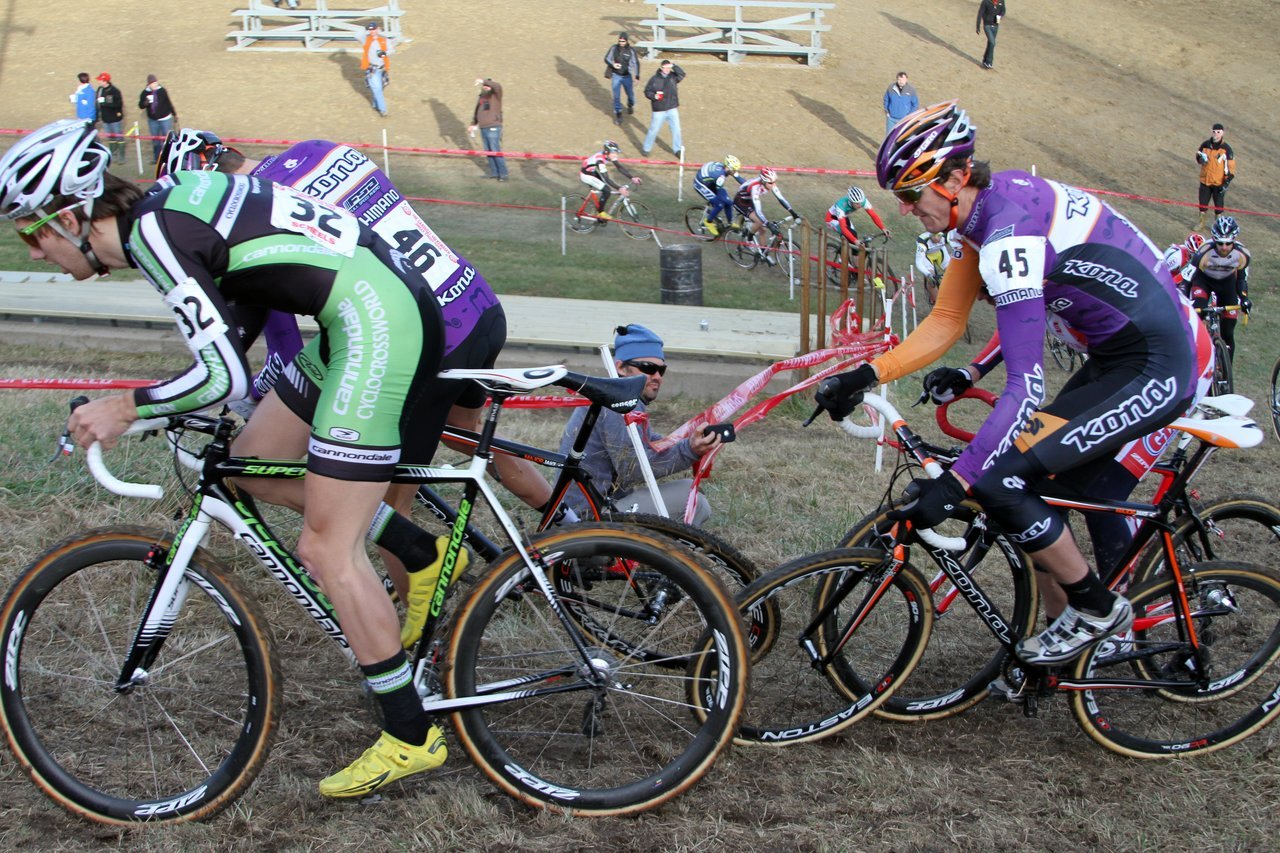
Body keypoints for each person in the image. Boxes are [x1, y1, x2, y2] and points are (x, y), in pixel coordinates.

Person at [2, 118, 457, 798]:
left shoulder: (152, 234)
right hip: (358, 311)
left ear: (69, 218)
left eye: (29, 233)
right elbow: (239, 310)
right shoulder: (166, 204)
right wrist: (169, 395)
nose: (33, 253)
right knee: (247, 465)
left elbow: (225, 377)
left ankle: (410, 733)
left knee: (327, 549)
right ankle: (418, 551)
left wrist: (126, 407)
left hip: (375, 321)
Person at [816, 101, 1210, 667]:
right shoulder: (981, 218)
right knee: (1036, 487)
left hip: (1159, 362)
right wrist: (864, 374)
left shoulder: (1006, 234)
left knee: (1004, 482)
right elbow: (947, 321)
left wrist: (956, 485)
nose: (904, 210)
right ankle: (1062, 647)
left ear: (954, 179)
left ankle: (1100, 610)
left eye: (909, 193)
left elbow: (1025, 386)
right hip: (1113, 357)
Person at [154, 128, 554, 646]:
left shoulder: (257, 215)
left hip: (422, 337)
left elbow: (283, 351)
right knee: (469, 438)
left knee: (388, 497)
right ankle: (567, 517)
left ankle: (418, 648)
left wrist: (258, 399)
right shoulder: (319, 150)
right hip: (474, 304)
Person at [558, 324, 721, 525]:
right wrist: (689, 450)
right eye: (648, 368)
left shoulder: (617, 396)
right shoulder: (615, 403)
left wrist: (691, 441)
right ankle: (660, 555)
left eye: (661, 370)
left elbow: (648, 443)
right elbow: (632, 468)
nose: (657, 376)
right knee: (692, 500)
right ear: (620, 367)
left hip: (595, 509)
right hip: (588, 519)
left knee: (688, 491)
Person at [1186, 215, 1251, 364]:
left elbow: (1241, 280)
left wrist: (1245, 298)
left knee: (1228, 332)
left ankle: (1227, 373)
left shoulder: (1242, 254)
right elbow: (1186, 279)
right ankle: (1194, 356)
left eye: (1228, 243)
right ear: (1214, 239)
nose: (1224, 247)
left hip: (1227, 286)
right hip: (1203, 282)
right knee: (1198, 314)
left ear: (1234, 240)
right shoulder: (1203, 251)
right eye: (1220, 243)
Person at [731, 168, 801, 264]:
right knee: (759, 222)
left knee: (762, 230)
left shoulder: (769, 183)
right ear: (764, 181)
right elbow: (758, 210)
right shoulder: (755, 187)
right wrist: (769, 224)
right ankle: (749, 239)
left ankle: (764, 254)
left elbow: (781, 199)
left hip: (749, 200)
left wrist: (793, 213)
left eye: (774, 182)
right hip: (740, 202)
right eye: (771, 183)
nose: (773, 185)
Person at [579, 140, 641, 220]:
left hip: (591, 171)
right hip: (586, 175)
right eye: (614, 152)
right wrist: (619, 188)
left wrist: (632, 177)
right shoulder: (600, 160)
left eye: (616, 152)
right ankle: (600, 213)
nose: (616, 155)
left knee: (605, 188)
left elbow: (619, 167)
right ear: (607, 152)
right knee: (607, 190)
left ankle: (598, 210)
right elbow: (607, 179)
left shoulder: (608, 155)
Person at [1195, 123, 1234, 231]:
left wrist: (1226, 183)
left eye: (1218, 132)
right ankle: (1201, 223)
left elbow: (1231, 168)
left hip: (1218, 183)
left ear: (1222, 133)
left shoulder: (1227, 149)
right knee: (1202, 204)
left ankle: (1218, 225)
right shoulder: (1205, 145)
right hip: (1205, 180)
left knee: (1218, 206)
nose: (1216, 134)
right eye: (1214, 131)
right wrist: (1200, 159)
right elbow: (1198, 156)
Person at [641, 60, 685, 156]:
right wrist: (654, 96)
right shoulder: (654, 79)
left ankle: (677, 150)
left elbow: (682, 74)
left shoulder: (673, 77)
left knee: (676, 129)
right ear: (661, 68)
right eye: (665, 67)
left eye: (669, 68)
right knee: (654, 130)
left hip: (672, 108)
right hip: (659, 109)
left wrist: (674, 65)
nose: (667, 69)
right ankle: (646, 148)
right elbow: (647, 91)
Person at [691, 154, 743, 236]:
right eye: (734, 170)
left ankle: (730, 223)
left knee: (729, 202)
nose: (735, 172)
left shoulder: (726, 168)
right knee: (720, 204)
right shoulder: (720, 176)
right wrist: (721, 201)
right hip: (701, 184)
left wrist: (750, 186)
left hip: (710, 180)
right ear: (729, 168)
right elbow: (719, 194)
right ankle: (708, 221)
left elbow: (740, 180)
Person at [825, 185, 890, 247]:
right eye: (856, 203)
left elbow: (873, 215)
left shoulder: (863, 201)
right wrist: (855, 241)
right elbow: (843, 228)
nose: (860, 205)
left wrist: (883, 228)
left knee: (854, 235)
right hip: (832, 219)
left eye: (860, 202)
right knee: (850, 237)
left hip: (843, 217)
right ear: (850, 201)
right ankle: (842, 257)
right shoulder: (841, 205)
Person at [468, 77, 507, 181]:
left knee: (495, 150)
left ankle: (503, 174)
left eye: (487, 85)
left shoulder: (496, 95)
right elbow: (477, 112)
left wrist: (484, 81)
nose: (485, 87)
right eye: (484, 86)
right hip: (483, 127)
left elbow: (497, 86)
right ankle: (494, 172)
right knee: (488, 151)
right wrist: (473, 124)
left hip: (493, 126)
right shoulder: (481, 97)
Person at [604, 32, 640, 126]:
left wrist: (637, 76)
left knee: (630, 95)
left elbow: (636, 63)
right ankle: (618, 115)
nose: (621, 43)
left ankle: (630, 104)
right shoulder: (614, 48)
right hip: (616, 75)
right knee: (616, 97)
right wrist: (613, 65)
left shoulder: (631, 51)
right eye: (620, 41)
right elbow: (606, 58)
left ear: (627, 41)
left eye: (623, 41)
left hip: (627, 76)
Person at [137, 75, 177, 160]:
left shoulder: (162, 91)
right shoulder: (144, 93)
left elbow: (168, 102)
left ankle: (167, 158)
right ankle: (157, 158)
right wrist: (145, 103)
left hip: (165, 118)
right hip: (153, 120)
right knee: (155, 140)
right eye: (152, 83)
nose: (155, 85)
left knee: (167, 139)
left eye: (155, 83)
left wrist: (174, 114)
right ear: (148, 85)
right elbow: (141, 106)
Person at [913, 230, 955, 305]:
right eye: (933, 236)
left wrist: (953, 255)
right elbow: (918, 262)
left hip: (940, 252)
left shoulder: (946, 235)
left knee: (952, 273)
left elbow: (956, 246)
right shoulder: (923, 242)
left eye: (938, 236)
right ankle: (938, 305)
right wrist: (928, 274)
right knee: (931, 280)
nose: (936, 238)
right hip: (926, 256)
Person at [361, 22, 391, 117]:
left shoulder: (383, 40)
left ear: (377, 29)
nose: (372, 31)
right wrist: (364, 30)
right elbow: (357, 34)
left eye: (373, 29)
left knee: (380, 88)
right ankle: (383, 109)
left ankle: (375, 104)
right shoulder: (366, 39)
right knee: (377, 89)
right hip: (372, 68)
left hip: (382, 68)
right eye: (370, 30)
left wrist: (384, 53)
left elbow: (391, 49)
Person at [95, 73, 125, 161]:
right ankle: (113, 154)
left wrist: (105, 103)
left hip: (115, 119)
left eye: (100, 80)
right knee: (110, 137)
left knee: (119, 137)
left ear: (105, 81)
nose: (99, 82)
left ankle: (121, 156)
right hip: (105, 118)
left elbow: (118, 104)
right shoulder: (100, 90)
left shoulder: (115, 91)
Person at [976, 0, 1006, 70]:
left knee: (990, 44)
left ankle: (985, 60)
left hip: (995, 26)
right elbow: (980, 13)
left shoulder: (1001, 1)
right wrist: (978, 26)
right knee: (992, 42)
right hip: (987, 25)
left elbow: (1003, 10)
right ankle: (989, 62)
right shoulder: (986, 1)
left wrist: (1000, 16)